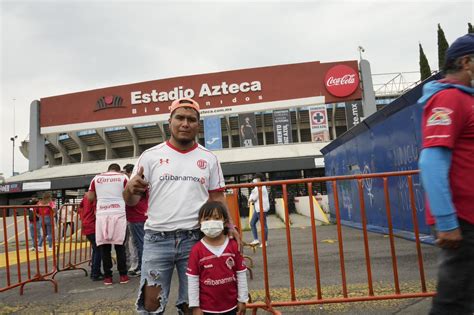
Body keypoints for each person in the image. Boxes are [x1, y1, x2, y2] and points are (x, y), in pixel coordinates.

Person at [123, 97, 239, 314]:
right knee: (151, 304)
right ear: (170, 122)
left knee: (192, 303)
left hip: (195, 239)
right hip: (157, 239)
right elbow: (131, 201)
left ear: (198, 124)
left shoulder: (209, 158)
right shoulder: (150, 157)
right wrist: (129, 189)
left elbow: (217, 198)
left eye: (191, 119)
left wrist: (229, 225)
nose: (185, 123)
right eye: (180, 118)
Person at [418, 33, 474, 315]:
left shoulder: (465, 99)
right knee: (453, 304)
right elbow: (431, 162)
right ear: (466, 62)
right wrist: (447, 222)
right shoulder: (450, 99)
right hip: (463, 222)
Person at [187, 201, 248, 315]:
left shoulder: (234, 246)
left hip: (232, 307)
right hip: (206, 309)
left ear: (225, 222)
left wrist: (242, 300)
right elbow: (193, 280)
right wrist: (195, 306)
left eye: (216, 218)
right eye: (206, 219)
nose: (211, 222)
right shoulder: (196, 250)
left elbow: (241, 274)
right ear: (200, 223)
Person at [88, 163, 129, 285]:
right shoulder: (123, 178)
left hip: (102, 214)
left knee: (104, 247)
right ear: (118, 170)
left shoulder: (96, 178)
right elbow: (128, 195)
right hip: (119, 213)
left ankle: (108, 277)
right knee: (120, 246)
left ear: (107, 170)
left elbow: (90, 197)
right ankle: (123, 275)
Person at [123, 163, 148, 277]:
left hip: (136, 218)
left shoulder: (134, 186)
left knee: (140, 244)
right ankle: (142, 267)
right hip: (144, 216)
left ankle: (142, 268)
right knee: (143, 243)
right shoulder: (146, 185)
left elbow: (130, 200)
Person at [79, 191, 103, 281]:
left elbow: (80, 207)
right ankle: (95, 273)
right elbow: (96, 212)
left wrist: (82, 217)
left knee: (95, 249)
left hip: (86, 225)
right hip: (93, 225)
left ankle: (95, 272)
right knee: (98, 250)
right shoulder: (94, 198)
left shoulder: (85, 197)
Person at [248, 173, 270, 247]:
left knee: (263, 225)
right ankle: (256, 239)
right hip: (258, 209)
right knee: (252, 223)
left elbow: (253, 198)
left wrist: (250, 199)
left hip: (262, 209)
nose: (254, 180)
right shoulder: (257, 187)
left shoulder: (261, 187)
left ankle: (265, 242)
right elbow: (252, 196)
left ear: (260, 179)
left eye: (256, 178)